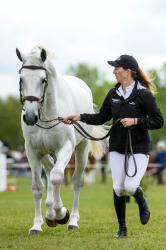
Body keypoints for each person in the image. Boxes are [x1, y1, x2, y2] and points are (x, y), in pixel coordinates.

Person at [63, 55, 164, 238]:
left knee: (131, 187)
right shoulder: (113, 94)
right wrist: (79, 117)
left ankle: (142, 199)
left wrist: (135, 121)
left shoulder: (143, 94)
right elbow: (102, 117)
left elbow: (158, 121)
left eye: (117, 68)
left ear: (128, 71)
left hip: (138, 148)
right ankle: (122, 228)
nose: (114, 71)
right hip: (117, 146)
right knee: (118, 189)